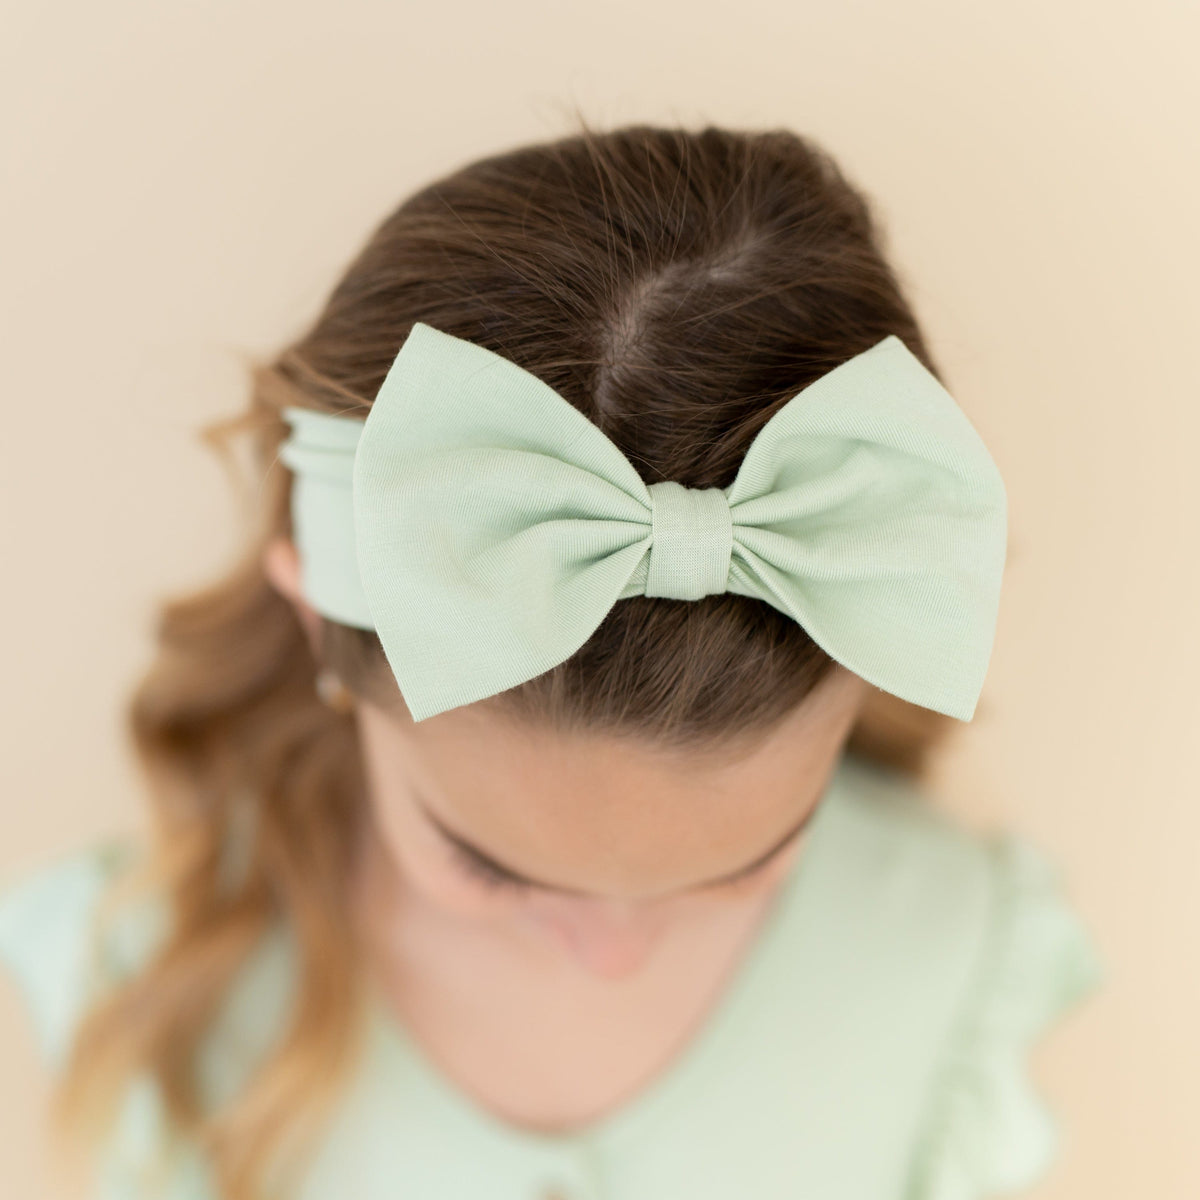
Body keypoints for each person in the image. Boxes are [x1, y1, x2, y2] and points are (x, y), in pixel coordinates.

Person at [0, 119, 1103, 1200]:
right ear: (315, 630)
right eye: (490, 867)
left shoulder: (958, 957)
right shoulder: (151, 974)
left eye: (741, 864)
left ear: (869, 671)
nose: (608, 954)